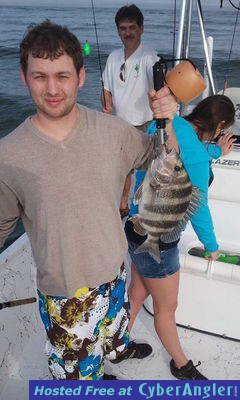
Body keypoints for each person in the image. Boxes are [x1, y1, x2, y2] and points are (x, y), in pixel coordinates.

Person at [0, 20, 177, 380]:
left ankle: (118, 347)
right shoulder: (8, 156)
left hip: (115, 268)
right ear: (24, 76)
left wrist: (167, 121)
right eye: (40, 76)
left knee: (115, 324)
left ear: (81, 77)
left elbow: (161, 159)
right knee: (79, 380)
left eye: (62, 76)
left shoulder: (114, 131)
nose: (52, 89)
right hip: (65, 292)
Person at [125, 94, 236, 380]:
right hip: (160, 238)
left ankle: (119, 342)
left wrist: (213, 154)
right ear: (219, 124)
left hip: (137, 227)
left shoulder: (163, 125)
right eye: (221, 131)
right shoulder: (197, 157)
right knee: (166, 308)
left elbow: (180, 153)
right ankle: (180, 364)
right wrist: (211, 247)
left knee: (138, 292)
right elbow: (198, 208)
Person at [101, 4, 159, 217]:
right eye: (123, 28)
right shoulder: (113, 57)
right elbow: (106, 88)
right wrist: (106, 107)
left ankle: (142, 209)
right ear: (118, 31)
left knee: (146, 173)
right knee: (123, 169)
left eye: (132, 27)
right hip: (120, 123)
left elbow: (158, 90)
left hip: (145, 123)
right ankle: (123, 205)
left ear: (141, 29)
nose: (128, 32)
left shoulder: (149, 57)